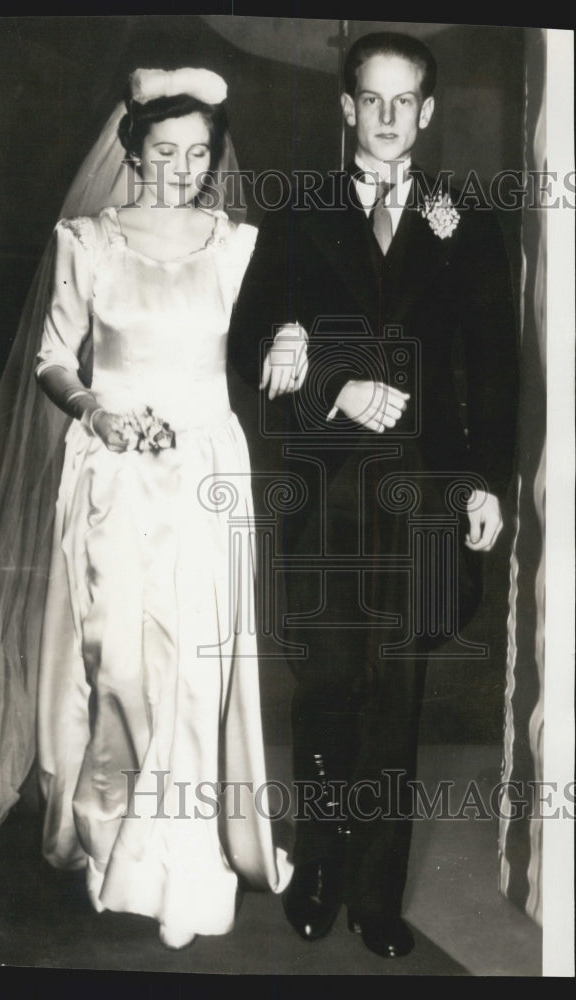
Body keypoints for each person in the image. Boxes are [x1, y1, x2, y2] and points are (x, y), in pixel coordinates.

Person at [0, 67, 291, 952]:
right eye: (165, 153)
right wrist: (98, 410)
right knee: (117, 665)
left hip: (207, 471)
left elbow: (275, 331)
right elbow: (48, 358)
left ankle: (179, 861)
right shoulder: (87, 239)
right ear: (133, 154)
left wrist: (295, 335)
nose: (182, 170)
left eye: (198, 154)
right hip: (110, 472)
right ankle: (108, 828)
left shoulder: (236, 243)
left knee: (196, 666)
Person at [229, 33, 518, 959]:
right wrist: (332, 386)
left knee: (401, 692)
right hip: (326, 498)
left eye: (407, 102)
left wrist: (485, 484)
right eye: (372, 100)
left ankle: (377, 894)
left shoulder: (464, 217)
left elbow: (494, 369)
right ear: (345, 108)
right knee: (329, 687)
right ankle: (316, 867)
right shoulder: (298, 209)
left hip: (428, 497)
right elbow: (245, 354)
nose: (388, 117)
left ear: (427, 114)